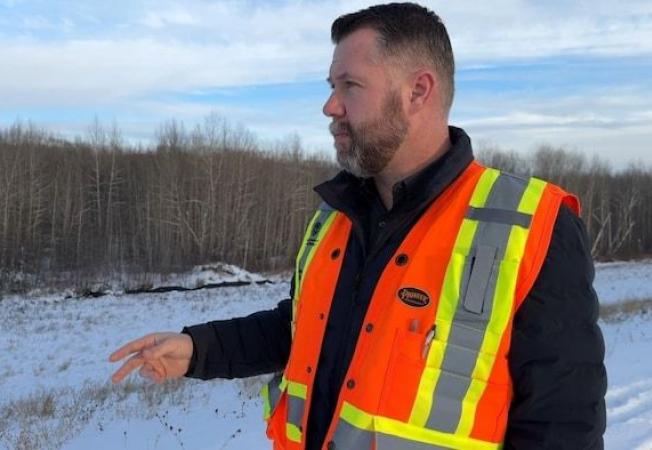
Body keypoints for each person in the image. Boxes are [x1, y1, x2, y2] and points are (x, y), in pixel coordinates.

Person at [109, 3, 606, 449]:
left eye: (350, 85)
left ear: (417, 91)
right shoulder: (338, 216)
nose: (331, 106)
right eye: (332, 87)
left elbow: (561, 428)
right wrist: (198, 350)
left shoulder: (530, 224)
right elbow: (303, 328)